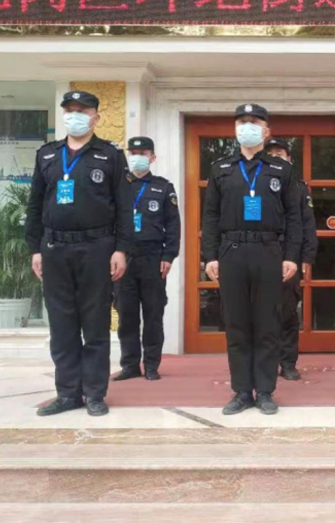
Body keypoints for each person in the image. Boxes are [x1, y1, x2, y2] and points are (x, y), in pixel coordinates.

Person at [25, 91, 132, 417]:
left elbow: (124, 207)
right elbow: (34, 205)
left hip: (97, 249)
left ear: (95, 117)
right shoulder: (47, 154)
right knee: (62, 326)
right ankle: (68, 393)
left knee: (95, 324)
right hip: (54, 249)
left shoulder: (110, 155)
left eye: (82, 111)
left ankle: (95, 394)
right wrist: (35, 249)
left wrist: (121, 249)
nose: (75, 116)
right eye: (70, 110)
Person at [201, 104, 302, 415]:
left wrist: (291, 256)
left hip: (269, 251)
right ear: (235, 129)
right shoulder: (221, 168)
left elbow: (294, 216)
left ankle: (266, 390)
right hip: (231, 251)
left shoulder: (281, 169)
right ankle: (242, 390)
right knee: (237, 323)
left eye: (254, 122)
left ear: (266, 130)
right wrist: (210, 256)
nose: (247, 126)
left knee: (267, 323)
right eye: (242, 122)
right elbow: (210, 215)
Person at [111, 137, 180, 382]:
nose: (137, 157)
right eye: (133, 152)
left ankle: (151, 365)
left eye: (142, 153)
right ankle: (130, 365)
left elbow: (173, 225)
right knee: (126, 314)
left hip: (153, 257)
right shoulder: (117, 185)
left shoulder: (163, 187)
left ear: (152, 157)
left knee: (153, 314)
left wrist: (169, 255)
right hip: (124, 257)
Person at [264, 138, 318, 381]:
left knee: (287, 311)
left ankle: (287, 362)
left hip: (289, 253)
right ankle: (265, 363)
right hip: (262, 250)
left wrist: (306, 256)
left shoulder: (298, 187)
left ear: (289, 159)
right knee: (262, 312)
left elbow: (307, 224)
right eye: (271, 154)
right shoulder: (255, 182)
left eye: (280, 153)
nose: (275, 157)